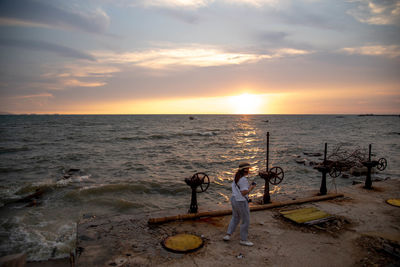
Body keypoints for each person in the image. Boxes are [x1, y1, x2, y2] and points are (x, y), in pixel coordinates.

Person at [223, 162, 256, 246]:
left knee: (235, 217)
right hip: (241, 201)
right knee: (246, 220)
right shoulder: (243, 179)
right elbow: (244, 192)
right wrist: (251, 188)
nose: (249, 170)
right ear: (245, 170)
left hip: (234, 199)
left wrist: (247, 186)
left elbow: (240, 188)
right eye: (248, 169)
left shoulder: (236, 177)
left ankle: (228, 235)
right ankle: (243, 240)